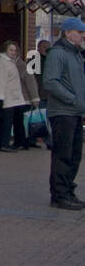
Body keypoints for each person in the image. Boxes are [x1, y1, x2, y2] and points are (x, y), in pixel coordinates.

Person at [42, 17, 85, 209]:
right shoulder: (58, 53)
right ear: (68, 33)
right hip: (63, 112)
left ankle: (68, 190)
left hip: (75, 112)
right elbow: (50, 82)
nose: (83, 35)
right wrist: (73, 100)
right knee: (63, 154)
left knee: (75, 155)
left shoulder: (76, 54)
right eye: (80, 32)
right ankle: (59, 195)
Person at [0, 40, 28, 152]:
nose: (13, 52)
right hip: (7, 98)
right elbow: (0, 81)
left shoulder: (10, 62)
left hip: (15, 98)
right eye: (10, 50)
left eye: (15, 50)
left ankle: (6, 143)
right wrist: (0, 98)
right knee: (5, 122)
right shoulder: (2, 63)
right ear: (4, 50)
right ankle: (2, 144)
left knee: (11, 121)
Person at [19, 44, 43, 148]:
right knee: (33, 119)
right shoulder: (35, 59)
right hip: (35, 94)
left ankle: (45, 140)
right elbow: (31, 79)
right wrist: (34, 95)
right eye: (44, 47)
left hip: (45, 94)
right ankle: (29, 140)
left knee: (39, 119)